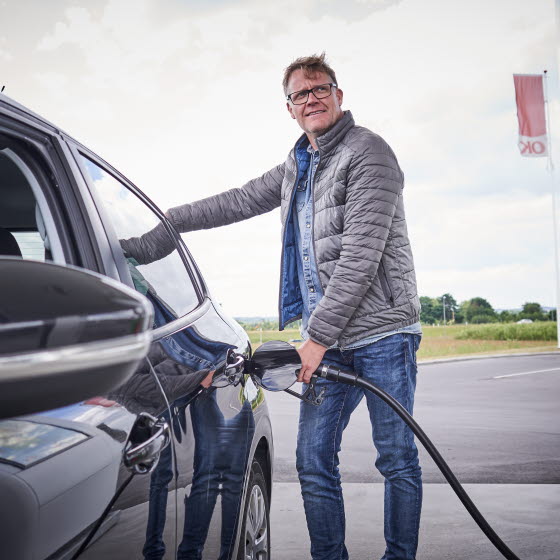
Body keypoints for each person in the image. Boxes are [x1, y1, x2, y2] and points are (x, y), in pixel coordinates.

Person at [122, 53, 422, 560]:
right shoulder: (295, 166)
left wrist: (316, 339)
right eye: (300, 94)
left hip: (381, 334)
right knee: (312, 460)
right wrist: (161, 229)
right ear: (289, 108)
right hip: (327, 339)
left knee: (396, 458)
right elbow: (235, 201)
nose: (311, 100)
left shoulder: (370, 153)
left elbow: (360, 260)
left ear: (338, 96)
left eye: (320, 89)